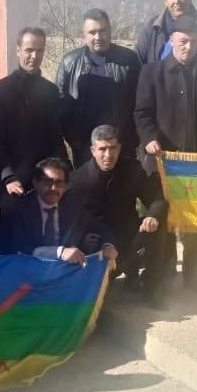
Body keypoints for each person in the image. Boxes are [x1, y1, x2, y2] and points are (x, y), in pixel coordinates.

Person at [134, 14, 197, 290]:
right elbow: (142, 113)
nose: (188, 46)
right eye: (183, 41)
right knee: (163, 222)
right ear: (171, 40)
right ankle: (163, 276)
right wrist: (150, 139)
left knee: (196, 224)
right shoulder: (152, 72)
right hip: (162, 163)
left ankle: (193, 277)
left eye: (193, 42)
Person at [68, 125, 168, 303]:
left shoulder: (133, 169)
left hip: (129, 236)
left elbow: (157, 198)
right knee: (101, 300)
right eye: (102, 149)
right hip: (97, 246)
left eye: (113, 148)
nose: (108, 155)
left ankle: (151, 289)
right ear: (93, 150)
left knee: (158, 224)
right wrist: (82, 238)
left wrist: (152, 215)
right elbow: (67, 220)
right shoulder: (77, 180)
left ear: (119, 148)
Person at [0, 27, 67, 201]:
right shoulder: (0, 90)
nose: (34, 56)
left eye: (39, 50)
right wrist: (8, 176)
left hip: (45, 180)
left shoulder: (51, 91)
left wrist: (65, 171)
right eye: (29, 50)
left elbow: (55, 137)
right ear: (18, 50)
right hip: (13, 182)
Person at [56, 9, 141, 167]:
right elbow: (61, 107)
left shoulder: (129, 60)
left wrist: (133, 137)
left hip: (122, 144)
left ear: (110, 30)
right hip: (84, 147)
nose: (98, 37)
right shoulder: (69, 63)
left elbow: (140, 101)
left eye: (102, 31)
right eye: (92, 32)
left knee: (123, 183)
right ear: (84, 34)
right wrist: (73, 139)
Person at [3, 158, 117, 265]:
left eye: (59, 183)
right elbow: (19, 249)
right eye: (47, 182)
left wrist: (108, 246)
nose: (53, 188)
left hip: (65, 271)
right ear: (35, 183)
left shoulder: (73, 203)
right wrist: (59, 252)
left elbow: (100, 228)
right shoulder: (20, 208)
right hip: (30, 270)